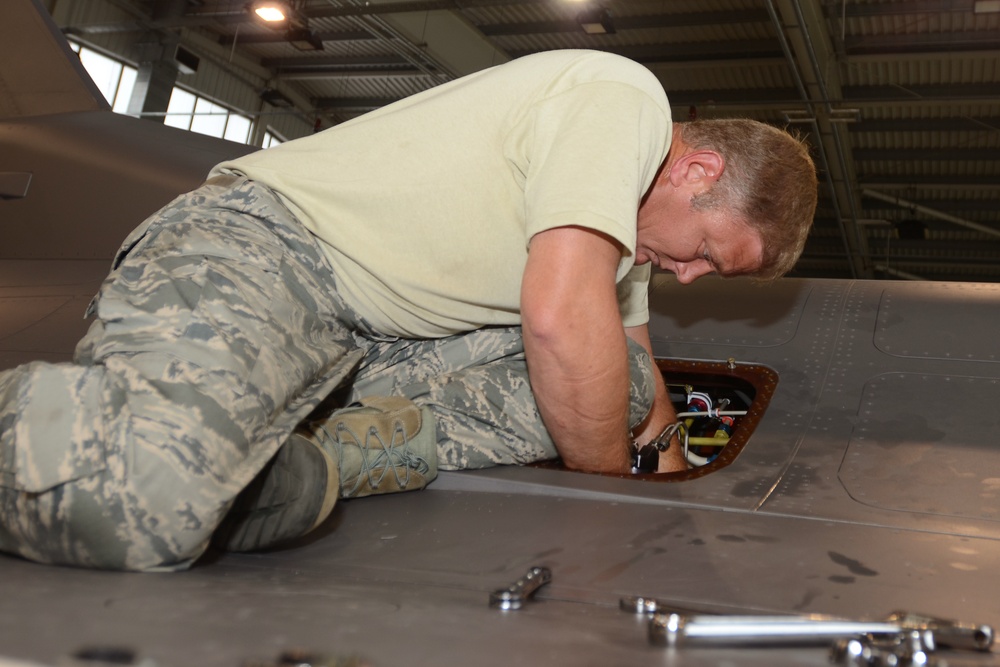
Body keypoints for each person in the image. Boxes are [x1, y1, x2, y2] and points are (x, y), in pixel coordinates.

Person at [0, 49, 817, 572]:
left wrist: (666, 520)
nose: (690, 275)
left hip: (357, 341)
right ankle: (202, 452)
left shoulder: (616, 241)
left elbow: (643, 394)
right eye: (709, 251)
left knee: (625, 379)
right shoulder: (624, 98)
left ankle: (310, 460)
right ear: (699, 169)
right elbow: (559, 320)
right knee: (148, 504)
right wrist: (599, 509)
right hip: (263, 251)